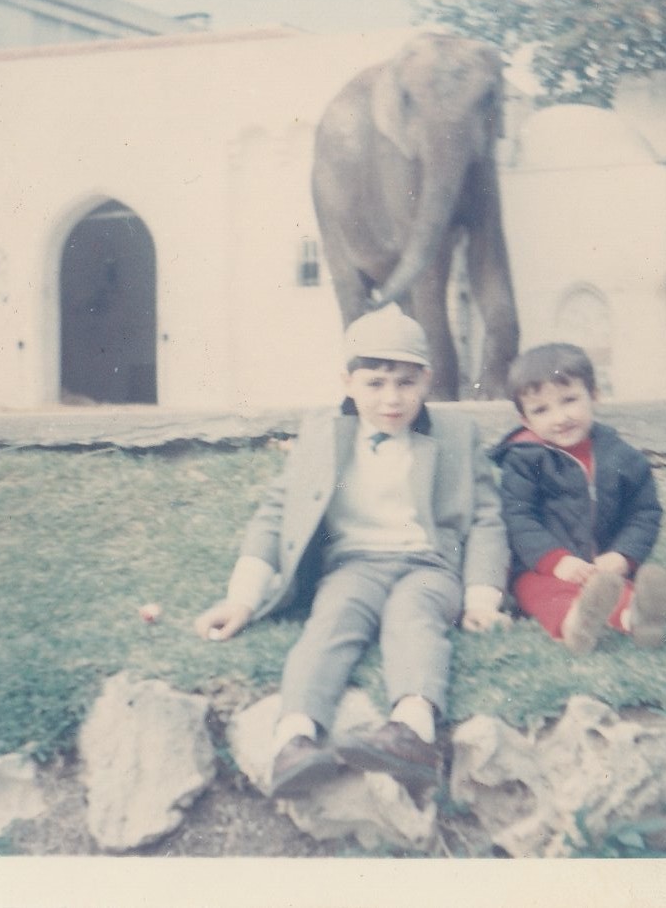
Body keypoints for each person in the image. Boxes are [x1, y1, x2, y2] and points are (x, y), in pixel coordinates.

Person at [193, 304, 510, 799]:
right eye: (375, 383)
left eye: (406, 383)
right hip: (354, 564)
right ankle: (294, 738)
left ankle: (412, 730)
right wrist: (242, 598)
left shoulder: (456, 434)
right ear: (347, 382)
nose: (391, 398)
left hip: (428, 564)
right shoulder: (322, 433)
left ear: (427, 381)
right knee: (331, 621)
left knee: (413, 616)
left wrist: (482, 599)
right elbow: (277, 511)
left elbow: (487, 518)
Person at [492, 343, 666, 655]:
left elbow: (644, 514)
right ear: (525, 421)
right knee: (544, 594)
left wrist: (623, 555)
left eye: (569, 400)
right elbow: (518, 518)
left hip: (602, 567)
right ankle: (575, 625)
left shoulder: (624, 458)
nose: (560, 417)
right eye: (541, 410)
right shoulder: (524, 460)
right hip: (541, 568)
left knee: (613, 590)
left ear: (594, 395)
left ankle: (638, 618)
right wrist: (555, 560)